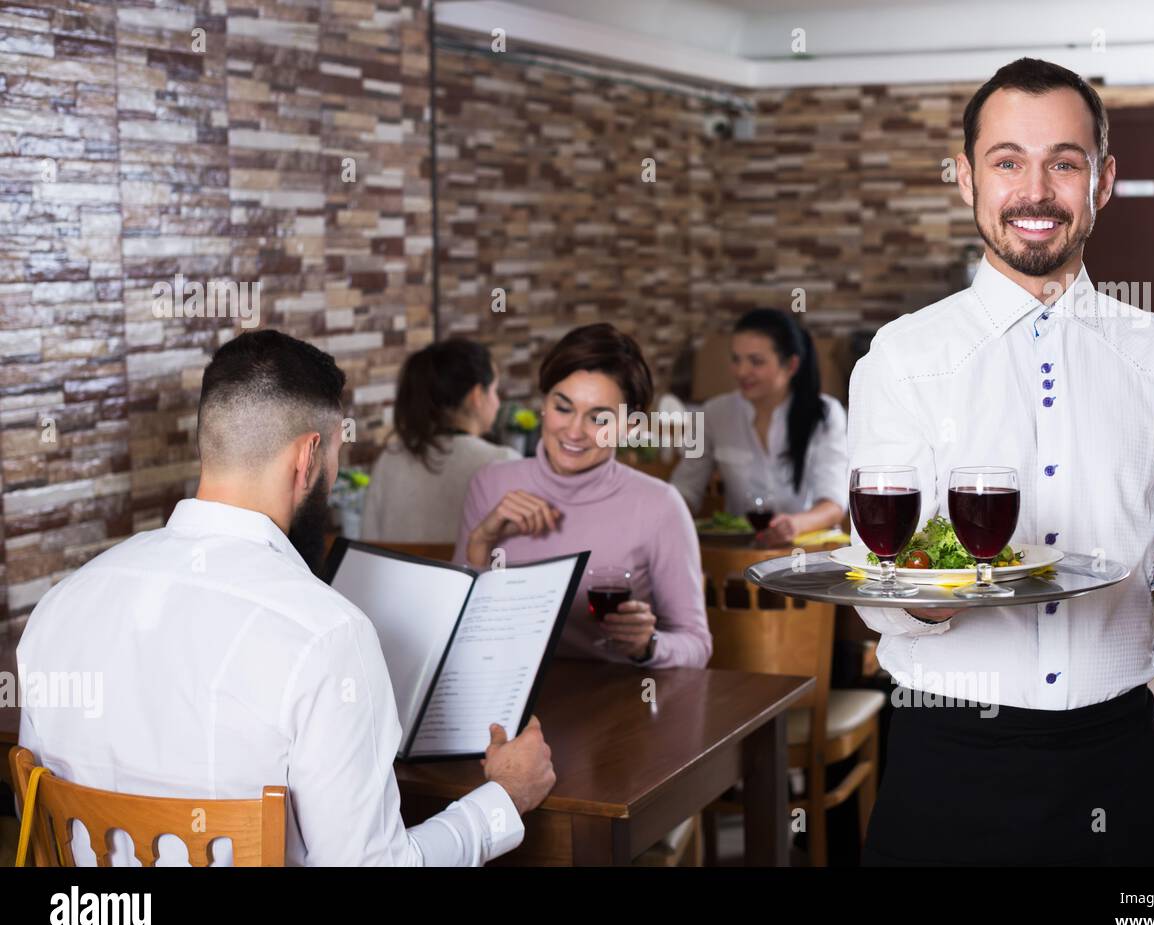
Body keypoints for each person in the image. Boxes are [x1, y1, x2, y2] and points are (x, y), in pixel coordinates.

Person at [848, 57, 1154, 866]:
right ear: (965, 176)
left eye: (1064, 163)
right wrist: (929, 597)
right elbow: (884, 578)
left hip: (1117, 749)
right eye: (1007, 161)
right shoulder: (901, 357)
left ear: (1103, 180)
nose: (1035, 191)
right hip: (948, 753)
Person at [17, 330, 555, 866]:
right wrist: (502, 800)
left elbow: (33, 814)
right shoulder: (328, 635)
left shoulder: (60, 606)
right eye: (336, 458)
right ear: (307, 458)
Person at [455, 323, 710, 668]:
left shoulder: (660, 505)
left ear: (630, 427)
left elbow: (696, 643)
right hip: (509, 699)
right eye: (563, 408)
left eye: (599, 418)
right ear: (544, 403)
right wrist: (481, 541)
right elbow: (456, 631)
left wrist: (647, 645)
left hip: (616, 700)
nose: (574, 431)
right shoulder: (491, 484)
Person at [671, 309, 848, 547]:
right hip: (738, 562)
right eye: (736, 360)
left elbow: (834, 505)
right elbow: (685, 489)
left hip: (806, 557)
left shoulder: (826, 414)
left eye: (756, 361)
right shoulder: (713, 414)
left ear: (791, 365)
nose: (742, 372)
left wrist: (795, 524)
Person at [362, 338, 518, 543]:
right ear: (477, 396)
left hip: (398, 575)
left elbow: (368, 540)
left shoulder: (390, 460)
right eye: (495, 391)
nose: (498, 403)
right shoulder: (503, 462)